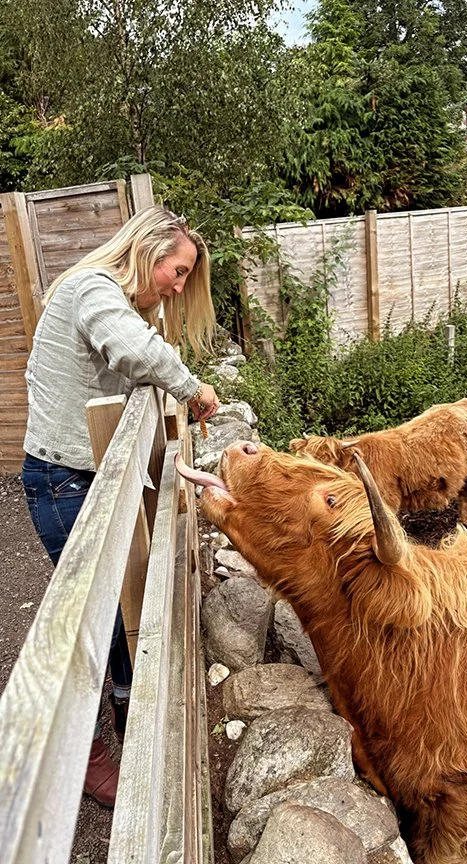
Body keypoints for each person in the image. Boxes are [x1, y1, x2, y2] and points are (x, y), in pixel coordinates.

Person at [20, 205, 220, 807]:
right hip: (63, 479)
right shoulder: (93, 289)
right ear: (147, 251)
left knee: (117, 611)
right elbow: (138, 354)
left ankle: (129, 720)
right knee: (93, 620)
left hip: (89, 474)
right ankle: (81, 754)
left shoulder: (113, 299)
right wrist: (194, 389)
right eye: (177, 272)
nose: (178, 287)